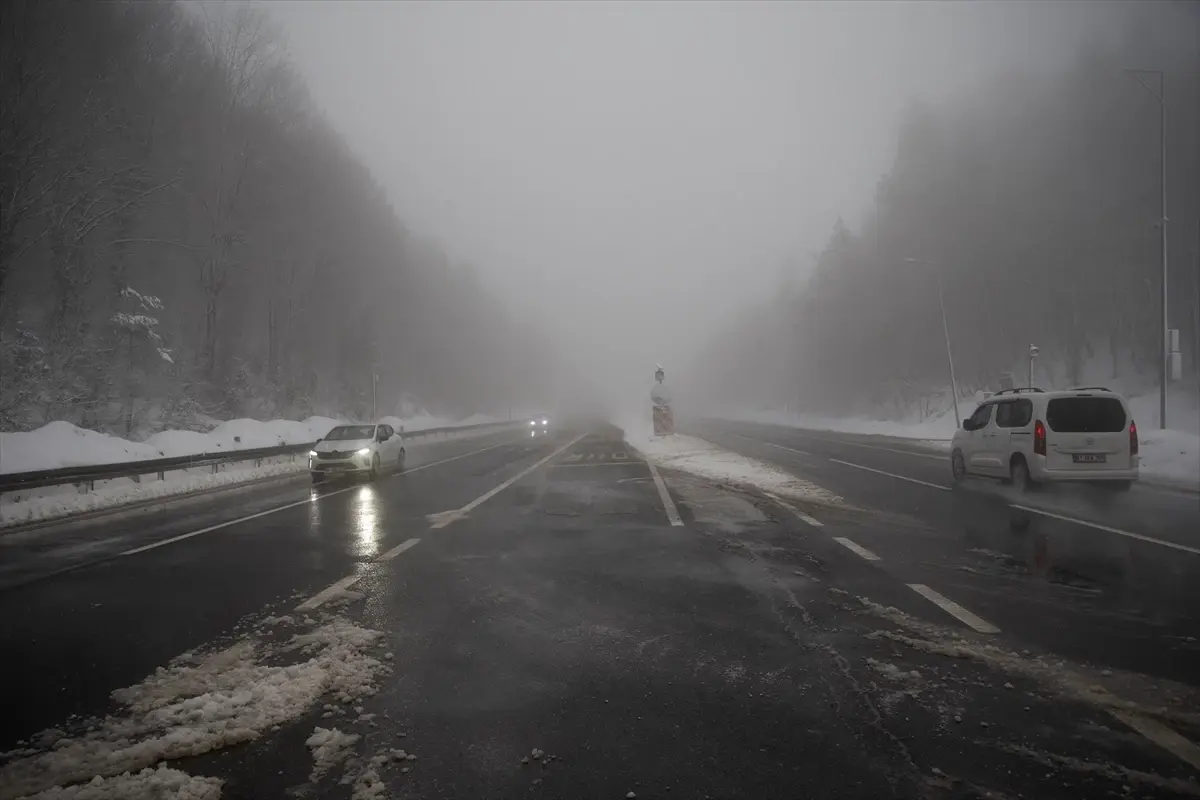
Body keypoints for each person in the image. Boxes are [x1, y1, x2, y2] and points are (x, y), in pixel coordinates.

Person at [651, 365, 674, 435]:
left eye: (660, 375)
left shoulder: (662, 389)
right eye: (659, 375)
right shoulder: (658, 389)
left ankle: (662, 431)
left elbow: (668, 396)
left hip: (661, 406)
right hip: (661, 406)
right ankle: (663, 431)